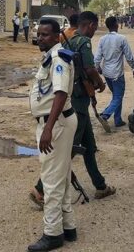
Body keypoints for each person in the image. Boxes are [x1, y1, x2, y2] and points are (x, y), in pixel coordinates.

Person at [27, 19, 79, 252]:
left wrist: (47, 127)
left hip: (55, 124)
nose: (40, 38)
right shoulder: (52, 56)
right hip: (57, 122)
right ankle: (68, 227)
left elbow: (59, 94)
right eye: (39, 34)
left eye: (46, 34)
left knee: (51, 181)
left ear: (57, 36)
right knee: (62, 177)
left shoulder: (58, 59)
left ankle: (52, 233)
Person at [52, 11, 116, 199]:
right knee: (70, 148)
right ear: (89, 25)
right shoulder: (83, 42)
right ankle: (40, 189)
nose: (94, 31)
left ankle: (100, 185)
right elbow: (89, 68)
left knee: (89, 146)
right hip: (79, 100)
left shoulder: (67, 41)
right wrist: (100, 83)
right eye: (95, 27)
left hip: (75, 95)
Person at [94, 16, 134, 128]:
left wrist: (97, 68)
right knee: (118, 97)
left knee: (117, 96)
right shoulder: (122, 38)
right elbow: (129, 56)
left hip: (106, 73)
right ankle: (105, 115)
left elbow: (97, 57)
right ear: (116, 25)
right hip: (117, 73)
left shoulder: (103, 39)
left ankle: (118, 120)